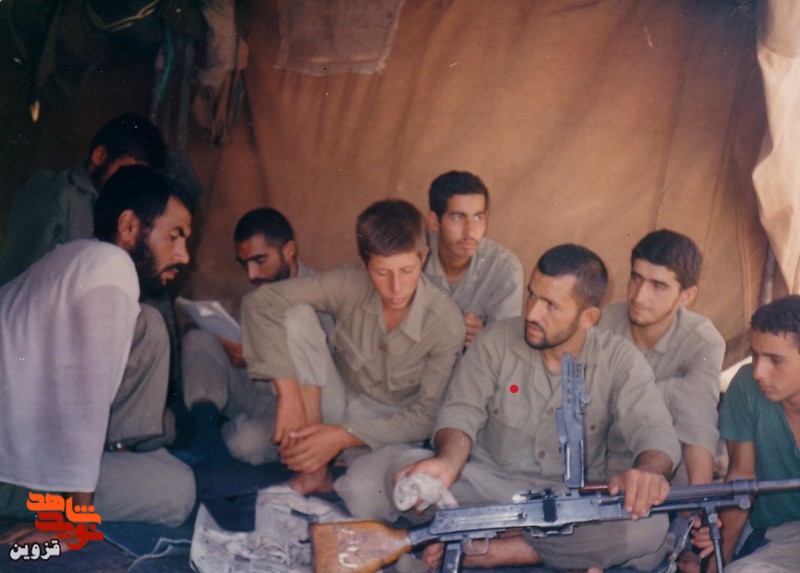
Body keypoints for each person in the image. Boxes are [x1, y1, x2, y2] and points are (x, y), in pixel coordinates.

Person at [393, 244, 681, 571]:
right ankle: (549, 549)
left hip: (568, 503)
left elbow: (653, 430)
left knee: (649, 526)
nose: (531, 313)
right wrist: (448, 462)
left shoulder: (620, 360)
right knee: (406, 473)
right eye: (532, 295)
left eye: (550, 305)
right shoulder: (496, 341)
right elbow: (461, 412)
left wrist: (648, 474)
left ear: (588, 317)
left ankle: (493, 551)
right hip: (489, 488)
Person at [0, 165, 196, 549]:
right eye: (175, 236)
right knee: (178, 489)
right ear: (129, 226)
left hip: (21, 438)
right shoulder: (113, 268)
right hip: (10, 471)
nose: (184, 255)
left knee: (149, 323)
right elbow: (83, 400)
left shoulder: (75, 255)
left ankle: (117, 454)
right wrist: (73, 522)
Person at [241, 199, 465, 512]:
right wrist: (289, 396)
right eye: (382, 272)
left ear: (423, 257)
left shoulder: (445, 321)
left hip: (387, 428)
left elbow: (427, 416)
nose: (396, 287)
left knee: (361, 498)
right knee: (295, 315)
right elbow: (261, 302)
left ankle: (332, 459)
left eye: (407, 270)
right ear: (364, 264)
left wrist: (342, 437)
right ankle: (314, 471)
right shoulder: (350, 283)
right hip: (335, 402)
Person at [179, 207, 330, 466]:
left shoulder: (320, 294)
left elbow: (324, 377)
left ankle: (220, 435)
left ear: (289, 250)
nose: (251, 275)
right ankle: (207, 435)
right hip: (253, 392)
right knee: (198, 339)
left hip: (295, 404)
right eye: (244, 263)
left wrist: (254, 357)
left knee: (244, 444)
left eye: (260, 260)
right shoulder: (258, 293)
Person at [598, 229, 725, 486]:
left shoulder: (701, 342)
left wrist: (700, 499)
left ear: (686, 296)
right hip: (602, 465)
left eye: (658, 286)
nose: (639, 296)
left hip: (666, 469)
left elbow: (699, 424)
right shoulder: (599, 327)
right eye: (636, 278)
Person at [0, 112, 167, 285]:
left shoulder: (118, 214)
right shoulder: (57, 192)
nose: (131, 187)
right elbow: (18, 272)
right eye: (128, 174)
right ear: (100, 156)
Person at [702, 296, 800, 572]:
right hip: (777, 532)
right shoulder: (746, 387)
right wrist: (718, 559)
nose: (759, 372)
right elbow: (742, 478)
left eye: (775, 360)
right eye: (755, 355)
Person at [424, 171, 524, 348]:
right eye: (458, 217)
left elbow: (504, 347)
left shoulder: (505, 267)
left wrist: (485, 338)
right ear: (434, 221)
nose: (470, 231)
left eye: (478, 217)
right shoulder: (414, 255)